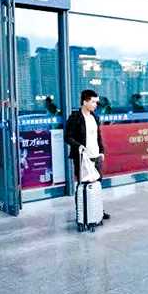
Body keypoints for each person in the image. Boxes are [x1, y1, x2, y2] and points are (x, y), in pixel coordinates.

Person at [64, 89, 110, 220]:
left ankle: (97, 211)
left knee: (97, 184)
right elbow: (67, 137)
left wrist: (101, 151)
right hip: (83, 158)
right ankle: (83, 213)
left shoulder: (94, 117)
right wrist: (78, 145)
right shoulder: (75, 118)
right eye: (93, 102)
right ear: (85, 102)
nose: (96, 105)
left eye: (97, 102)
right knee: (83, 185)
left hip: (96, 156)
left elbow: (97, 136)